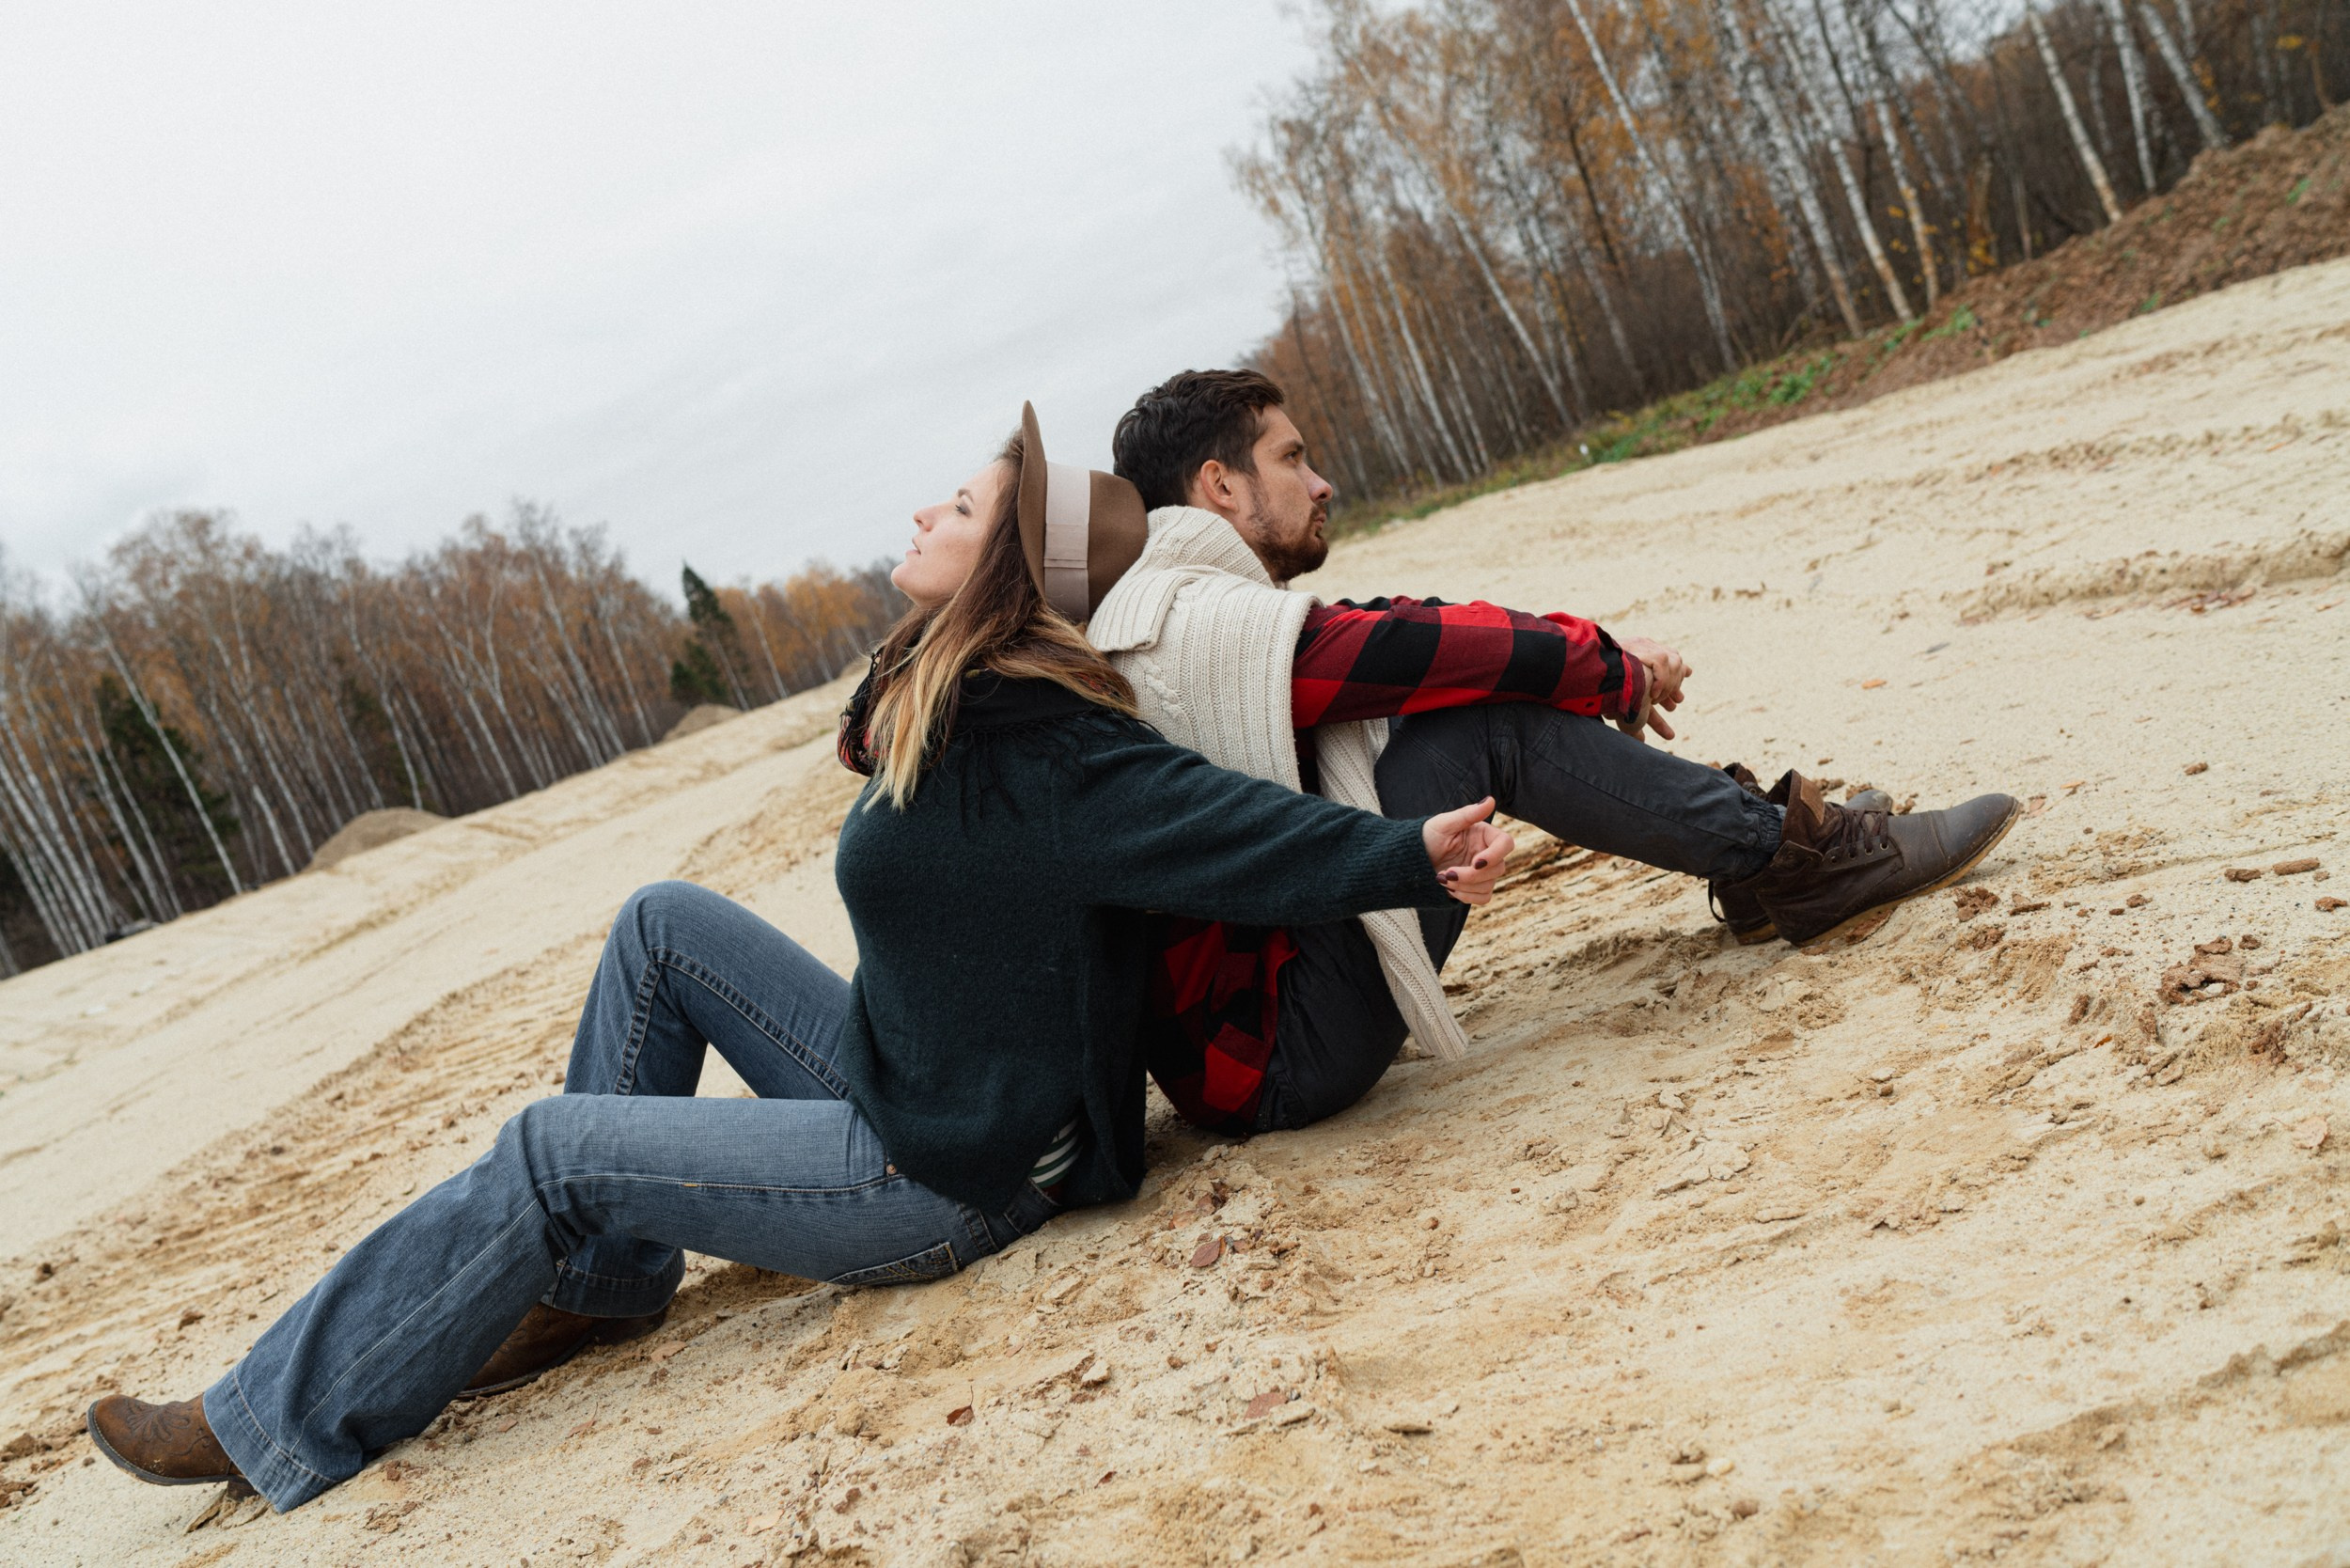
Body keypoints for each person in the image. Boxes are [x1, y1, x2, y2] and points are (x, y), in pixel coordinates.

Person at [85, 405, 1515, 1513]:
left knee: (546, 1151)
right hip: (910, 1074)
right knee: (662, 925)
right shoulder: (953, 703)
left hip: (941, 1177)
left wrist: (1408, 852)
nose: (920, 509)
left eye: (955, 508)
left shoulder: (1055, 750)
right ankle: (602, 1288)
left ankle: (271, 1417)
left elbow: (1231, 831)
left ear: (1002, 571)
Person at [1093, 368, 2018, 1137]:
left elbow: (1386, 639)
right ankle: (1796, 860)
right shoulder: (1197, 630)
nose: (1320, 481)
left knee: (1453, 709)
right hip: (1277, 1053)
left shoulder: (1175, 611)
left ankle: (1765, 857)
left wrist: (1600, 662)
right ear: (1219, 486)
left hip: (1250, 1031)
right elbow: (1422, 649)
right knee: (1475, 722)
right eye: (1292, 457)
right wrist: (1610, 669)